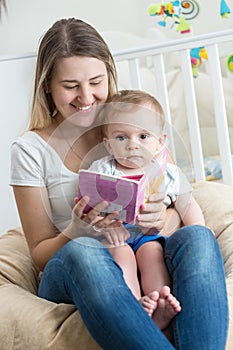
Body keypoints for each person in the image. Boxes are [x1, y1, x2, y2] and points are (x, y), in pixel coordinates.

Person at [10, 17, 228, 349]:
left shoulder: (134, 125)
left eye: (96, 82)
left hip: (143, 251)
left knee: (198, 237)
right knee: (86, 251)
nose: (86, 97)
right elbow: (40, 255)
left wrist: (159, 219)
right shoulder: (30, 149)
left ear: (109, 76)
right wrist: (77, 228)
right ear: (47, 87)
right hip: (76, 267)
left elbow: (174, 201)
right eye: (70, 86)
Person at [88, 89, 207, 329]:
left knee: (152, 255)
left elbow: (187, 203)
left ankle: (160, 300)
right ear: (108, 145)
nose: (133, 145)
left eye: (143, 136)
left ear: (160, 142)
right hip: (116, 237)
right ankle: (134, 307)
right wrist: (98, 220)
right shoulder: (103, 169)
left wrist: (200, 231)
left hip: (148, 236)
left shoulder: (167, 173)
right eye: (121, 137)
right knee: (122, 258)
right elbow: (88, 204)